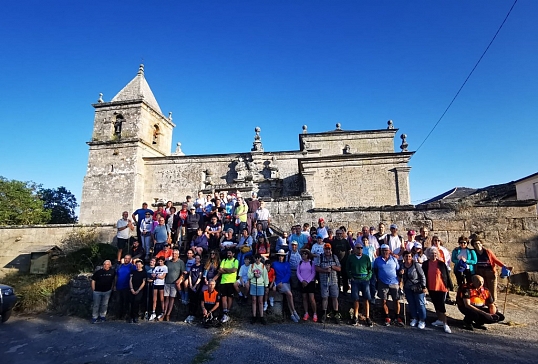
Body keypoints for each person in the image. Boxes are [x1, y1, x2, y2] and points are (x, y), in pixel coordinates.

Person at [423, 247, 454, 334]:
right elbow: (424, 275)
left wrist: (449, 286)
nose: (433, 255)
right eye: (432, 253)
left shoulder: (441, 263)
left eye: (435, 253)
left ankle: (445, 324)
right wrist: (424, 286)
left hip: (441, 287)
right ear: (428, 255)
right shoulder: (425, 264)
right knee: (436, 304)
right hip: (431, 287)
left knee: (441, 306)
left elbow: (446, 275)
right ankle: (439, 320)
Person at [373, 244, 403, 327]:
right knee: (383, 300)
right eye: (383, 250)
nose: (384, 252)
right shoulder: (377, 260)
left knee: (396, 300)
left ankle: (397, 317)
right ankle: (387, 317)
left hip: (394, 282)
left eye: (386, 250)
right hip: (382, 283)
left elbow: (398, 270)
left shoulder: (394, 259)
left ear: (389, 251)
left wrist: (400, 279)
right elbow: (375, 270)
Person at [346, 242, 373, 327]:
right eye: (357, 248)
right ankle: (355, 316)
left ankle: (367, 317)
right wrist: (351, 277)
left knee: (366, 299)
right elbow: (347, 268)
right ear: (354, 249)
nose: (359, 249)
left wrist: (368, 277)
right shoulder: (351, 258)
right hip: (355, 279)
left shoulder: (366, 257)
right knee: (356, 299)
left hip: (364, 279)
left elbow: (370, 269)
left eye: (361, 248)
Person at [316, 243, 342, 324]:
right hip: (324, 281)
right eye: (326, 249)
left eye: (329, 249)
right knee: (325, 298)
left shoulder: (334, 257)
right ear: (324, 249)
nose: (327, 250)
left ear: (331, 250)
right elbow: (316, 268)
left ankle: (336, 314)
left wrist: (332, 267)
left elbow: (339, 268)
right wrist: (325, 270)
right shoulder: (320, 257)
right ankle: (324, 314)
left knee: (334, 297)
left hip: (333, 281)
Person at [400, 251, 427, 329]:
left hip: (417, 287)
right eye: (406, 256)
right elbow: (401, 277)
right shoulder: (402, 265)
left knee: (420, 303)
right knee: (411, 303)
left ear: (411, 257)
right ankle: (414, 318)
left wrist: (424, 286)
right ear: (403, 257)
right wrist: (400, 273)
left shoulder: (416, 265)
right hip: (408, 288)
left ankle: (422, 320)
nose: (408, 258)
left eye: (409, 256)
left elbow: (422, 276)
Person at [274, 249, 300, 322]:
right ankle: (294, 311)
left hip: (285, 282)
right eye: (279, 256)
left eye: (282, 256)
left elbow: (288, 274)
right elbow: (274, 274)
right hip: (279, 283)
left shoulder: (287, 264)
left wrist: (283, 281)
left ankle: (292, 314)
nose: (280, 257)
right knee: (290, 294)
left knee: (289, 297)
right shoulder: (274, 264)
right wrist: (277, 283)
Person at [163, 249, 186, 321]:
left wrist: (179, 280)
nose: (174, 255)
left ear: (178, 255)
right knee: (166, 298)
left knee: (172, 298)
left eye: (175, 254)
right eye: (173, 253)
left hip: (174, 283)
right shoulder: (168, 262)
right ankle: (164, 313)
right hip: (167, 282)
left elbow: (183, 273)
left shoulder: (181, 262)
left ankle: (168, 314)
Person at [297, 249, 317, 322]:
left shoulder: (312, 263)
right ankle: (306, 313)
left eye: (305, 254)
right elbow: (298, 272)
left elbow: (313, 273)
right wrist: (302, 280)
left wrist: (307, 281)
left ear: (308, 255)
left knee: (312, 298)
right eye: (302, 254)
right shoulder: (300, 263)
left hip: (310, 282)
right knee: (304, 297)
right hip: (302, 282)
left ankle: (315, 313)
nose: (303, 255)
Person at [218, 249, 239, 323]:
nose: (228, 254)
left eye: (230, 253)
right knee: (223, 297)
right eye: (228, 253)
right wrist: (229, 270)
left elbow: (234, 270)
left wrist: (225, 269)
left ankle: (228, 312)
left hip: (231, 281)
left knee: (230, 297)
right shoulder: (224, 260)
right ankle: (225, 312)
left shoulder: (235, 261)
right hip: (223, 281)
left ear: (233, 254)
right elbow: (220, 270)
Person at [248, 254, 269, 324]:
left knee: (260, 301)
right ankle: (254, 316)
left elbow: (265, 276)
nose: (257, 260)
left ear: (260, 259)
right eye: (256, 258)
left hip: (260, 284)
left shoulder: (263, 266)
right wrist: (254, 275)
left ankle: (261, 316)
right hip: (254, 284)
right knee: (254, 300)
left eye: (258, 258)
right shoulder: (252, 266)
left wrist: (266, 286)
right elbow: (249, 275)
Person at [115, 255, 134, 321]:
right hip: (118, 287)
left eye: (128, 259)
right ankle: (119, 315)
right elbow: (116, 276)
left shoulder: (132, 267)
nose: (126, 260)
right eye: (125, 258)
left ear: (130, 259)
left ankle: (126, 315)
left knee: (126, 302)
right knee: (118, 302)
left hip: (127, 287)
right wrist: (114, 285)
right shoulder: (120, 266)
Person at [185, 254, 203, 323]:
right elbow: (190, 275)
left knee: (195, 300)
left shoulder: (201, 267)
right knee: (191, 300)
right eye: (196, 258)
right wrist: (190, 284)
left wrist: (195, 286)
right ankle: (190, 314)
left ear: (200, 259)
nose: (196, 260)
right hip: (191, 284)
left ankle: (194, 314)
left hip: (197, 285)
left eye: (198, 258)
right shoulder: (193, 266)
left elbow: (200, 277)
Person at [332, 229, 351, 295]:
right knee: (336, 277)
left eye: (340, 233)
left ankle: (345, 290)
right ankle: (338, 289)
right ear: (336, 234)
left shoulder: (345, 241)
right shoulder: (333, 242)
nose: (339, 235)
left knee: (345, 276)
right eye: (338, 234)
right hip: (336, 262)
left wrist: (348, 258)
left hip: (344, 261)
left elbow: (349, 250)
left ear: (342, 234)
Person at [129, 259, 146, 323]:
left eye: (139, 264)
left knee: (137, 303)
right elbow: (130, 280)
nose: (138, 266)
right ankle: (131, 317)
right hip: (132, 288)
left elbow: (143, 282)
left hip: (139, 289)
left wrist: (138, 290)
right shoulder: (133, 272)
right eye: (137, 264)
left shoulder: (144, 273)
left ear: (142, 265)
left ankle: (136, 316)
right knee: (131, 303)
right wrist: (131, 289)